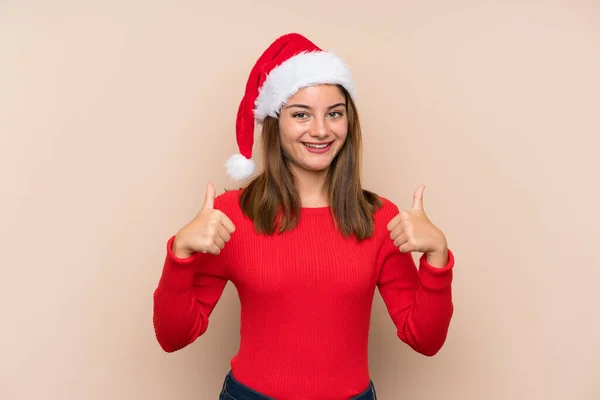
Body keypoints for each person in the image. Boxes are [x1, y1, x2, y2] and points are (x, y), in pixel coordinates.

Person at [152, 33, 455, 400]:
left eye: (334, 114)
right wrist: (181, 254)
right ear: (275, 122)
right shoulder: (233, 215)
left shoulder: (379, 218)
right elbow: (173, 337)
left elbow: (425, 339)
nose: (321, 130)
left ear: (348, 121)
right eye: (301, 114)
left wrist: (437, 256)